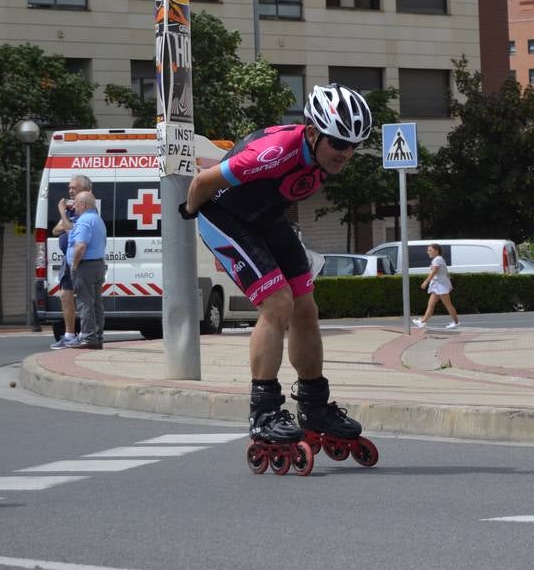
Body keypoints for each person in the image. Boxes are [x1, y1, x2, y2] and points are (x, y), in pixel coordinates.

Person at [180, 83, 374, 449]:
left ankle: (314, 405)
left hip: (267, 220)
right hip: (224, 218)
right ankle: (264, 411)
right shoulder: (275, 152)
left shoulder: (324, 154)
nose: (346, 153)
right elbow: (203, 180)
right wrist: (188, 212)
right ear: (314, 132)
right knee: (278, 303)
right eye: (338, 143)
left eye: (354, 146)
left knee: (306, 308)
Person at [49, 174, 91, 350]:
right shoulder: (71, 210)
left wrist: (62, 215)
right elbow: (55, 230)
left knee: (85, 298)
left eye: (74, 188)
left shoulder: (88, 209)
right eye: (69, 188)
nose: (70, 191)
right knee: (65, 295)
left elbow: (71, 229)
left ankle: (87, 335)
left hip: (83, 260)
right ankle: (68, 334)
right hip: (68, 259)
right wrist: (65, 221)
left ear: (84, 190)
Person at [64, 190, 108, 350]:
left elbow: (80, 245)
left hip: (85, 267)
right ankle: (97, 336)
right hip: (97, 265)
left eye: (75, 203)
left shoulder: (84, 221)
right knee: (96, 303)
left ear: (83, 204)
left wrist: (74, 265)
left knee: (85, 303)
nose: (73, 206)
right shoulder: (98, 219)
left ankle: (88, 337)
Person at [413, 243, 459, 330]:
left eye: (430, 250)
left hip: (441, 286)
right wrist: (449, 282)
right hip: (438, 286)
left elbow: (434, 272)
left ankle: (456, 322)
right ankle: (423, 322)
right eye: (428, 250)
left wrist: (426, 282)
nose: (428, 252)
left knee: (448, 305)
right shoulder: (439, 259)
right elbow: (445, 271)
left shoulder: (437, 260)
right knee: (431, 304)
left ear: (436, 251)